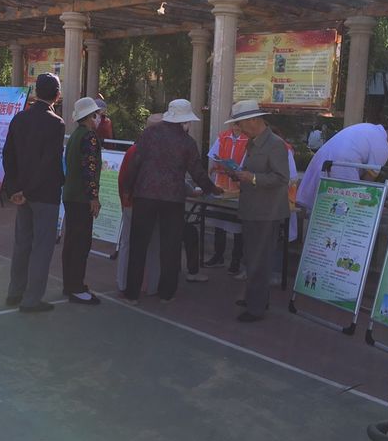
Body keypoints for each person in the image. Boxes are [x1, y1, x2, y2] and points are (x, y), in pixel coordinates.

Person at [122, 99, 221, 305]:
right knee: (170, 247)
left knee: (138, 245)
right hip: (172, 198)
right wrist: (212, 189)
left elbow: (135, 163)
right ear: (185, 121)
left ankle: (132, 293)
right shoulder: (187, 142)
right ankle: (166, 293)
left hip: (145, 194)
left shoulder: (149, 134)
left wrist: (128, 189)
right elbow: (197, 172)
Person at [2, 73, 65, 313]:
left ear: (36, 92)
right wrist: (27, 190)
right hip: (44, 194)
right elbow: (49, 163)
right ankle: (31, 299)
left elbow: (8, 155)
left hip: (22, 193)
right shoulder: (56, 123)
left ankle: (15, 292)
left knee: (22, 243)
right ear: (57, 95)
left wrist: (15, 189)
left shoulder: (20, 118)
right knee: (42, 247)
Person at [225, 101, 291, 323]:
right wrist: (239, 174)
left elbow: (281, 178)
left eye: (241, 123)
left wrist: (251, 178)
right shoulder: (254, 142)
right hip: (253, 208)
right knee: (253, 257)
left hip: (266, 211)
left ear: (254, 120)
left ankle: (256, 307)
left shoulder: (275, 144)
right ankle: (257, 299)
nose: (239, 128)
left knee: (259, 260)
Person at [296, 122, 388, 212]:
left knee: (321, 205)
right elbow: (367, 182)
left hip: (325, 158)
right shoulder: (382, 146)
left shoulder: (370, 128)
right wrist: (379, 201)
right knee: (344, 207)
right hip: (342, 166)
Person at [61, 97, 103, 305]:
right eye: (96, 114)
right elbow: (90, 168)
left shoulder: (75, 135)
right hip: (81, 197)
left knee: (71, 242)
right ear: (90, 116)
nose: (98, 118)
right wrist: (93, 196)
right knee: (81, 243)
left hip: (70, 194)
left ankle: (70, 284)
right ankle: (76, 287)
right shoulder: (89, 137)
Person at [116, 114, 162, 295]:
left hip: (134, 202)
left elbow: (123, 179)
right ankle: (150, 286)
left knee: (129, 243)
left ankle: (124, 282)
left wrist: (125, 201)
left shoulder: (134, 150)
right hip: (148, 203)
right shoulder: (162, 151)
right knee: (151, 245)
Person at [204, 123, 248, 274]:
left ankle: (236, 260)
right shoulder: (223, 137)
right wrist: (217, 165)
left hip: (238, 189)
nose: (237, 126)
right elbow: (214, 157)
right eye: (235, 123)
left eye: (239, 123)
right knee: (219, 223)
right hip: (221, 187)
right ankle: (218, 255)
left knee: (237, 226)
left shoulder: (248, 139)